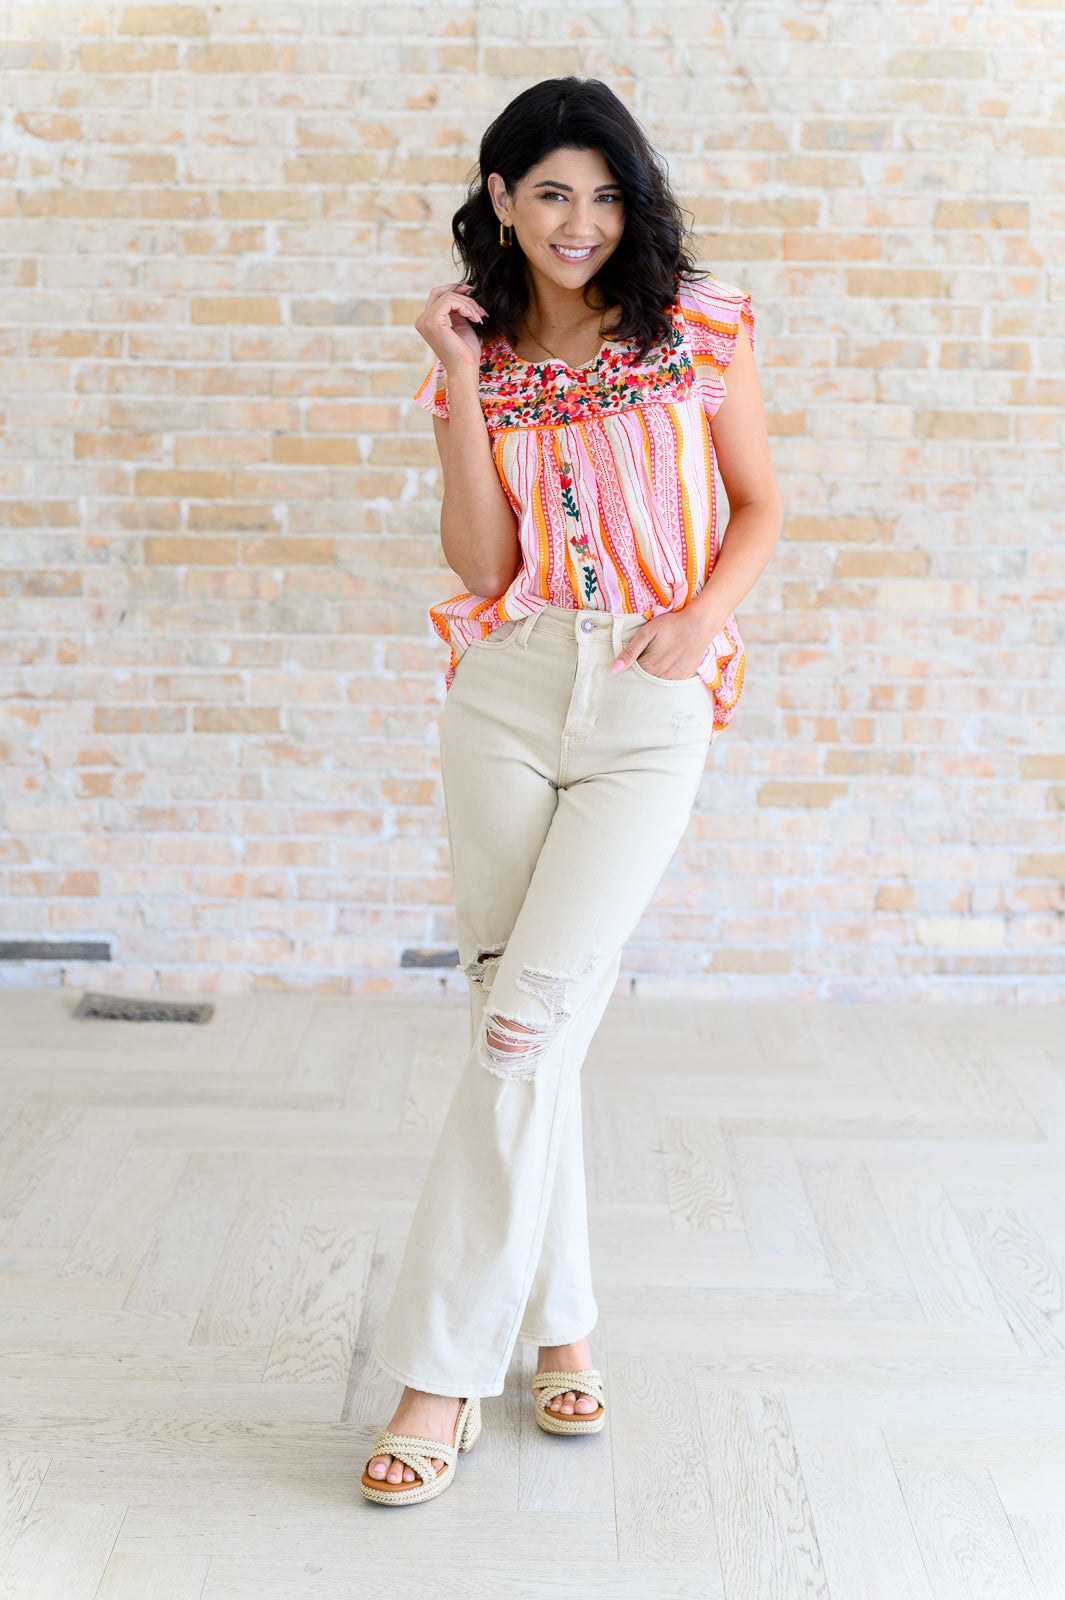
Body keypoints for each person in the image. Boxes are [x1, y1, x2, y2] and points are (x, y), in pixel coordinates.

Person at [361, 77, 782, 1506]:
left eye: (603, 195)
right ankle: (564, 1323)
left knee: (523, 1026)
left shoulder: (696, 324)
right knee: (517, 1023)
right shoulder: (474, 353)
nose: (579, 223)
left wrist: (698, 624)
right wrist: (462, 380)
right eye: (549, 193)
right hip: (508, 690)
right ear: (499, 198)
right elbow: (481, 570)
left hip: (652, 700)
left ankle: (433, 1377)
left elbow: (758, 503)